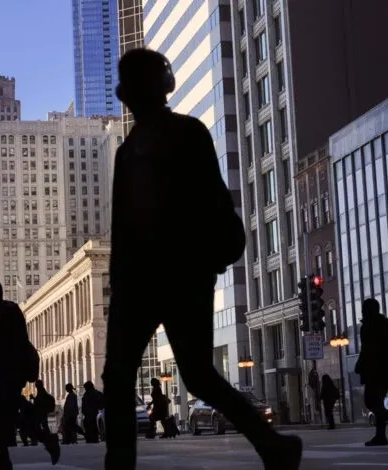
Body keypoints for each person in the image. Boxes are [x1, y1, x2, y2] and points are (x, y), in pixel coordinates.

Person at [103, 46, 302, 470]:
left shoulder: (185, 135)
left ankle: (272, 444)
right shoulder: (129, 151)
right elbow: (123, 229)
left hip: (180, 276)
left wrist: (202, 262)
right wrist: (119, 285)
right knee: (129, 377)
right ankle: (271, 445)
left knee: (195, 375)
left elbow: (212, 202)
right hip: (144, 282)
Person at [0, 280, 60, 470]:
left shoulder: (7, 313)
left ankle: (43, 439)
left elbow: (15, 345)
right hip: (3, 374)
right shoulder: (3, 312)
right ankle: (38, 441)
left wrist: (8, 373)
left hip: (7, 374)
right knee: (1, 416)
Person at [354, 298, 388, 446]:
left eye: (364, 309)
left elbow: (367, 350)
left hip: (374, 370)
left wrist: (360, 365)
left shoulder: (369, 327)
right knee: (377, 402)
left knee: (371, 402)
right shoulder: (387, 325)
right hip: (387, 369)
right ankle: (381, 435)